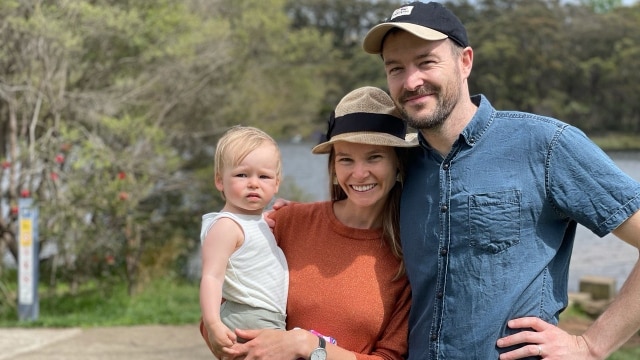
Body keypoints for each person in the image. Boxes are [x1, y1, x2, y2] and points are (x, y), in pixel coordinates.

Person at [361, 2, 640, 359]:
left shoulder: (546, 146)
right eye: (395, 68)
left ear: (465, 62)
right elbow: (352, 211)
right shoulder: (401, 164)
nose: (411, 81)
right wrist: (285, 220)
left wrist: (591, 345)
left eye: (426, 62)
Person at [201, 86, 416, 360]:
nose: (360, 173)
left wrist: (308, 345)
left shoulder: (408, 252)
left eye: (374, 157)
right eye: (346, 159)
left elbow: (390, 357)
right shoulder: (287, 222)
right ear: (334, 168)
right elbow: (222, 312)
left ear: (397, 163)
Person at [199, 125, 288, 357]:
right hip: (248, 317)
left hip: (266, 317)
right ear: (220, 181)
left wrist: (280, 214)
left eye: (264, 176)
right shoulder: (226, 226)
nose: (254, 183)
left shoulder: (255, 221)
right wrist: (212, 323)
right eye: (242, 174)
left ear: (276, 183)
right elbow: (211, 276)